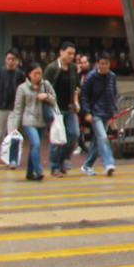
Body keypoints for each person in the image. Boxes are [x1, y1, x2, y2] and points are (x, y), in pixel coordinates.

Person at [13, 62, 55, 181]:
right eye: (35, 73)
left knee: (34, 146)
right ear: (29, 74)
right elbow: (18, 108)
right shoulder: (22, 88)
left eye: (40, 73)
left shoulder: (45, 85)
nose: (38, 76)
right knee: (36, 144)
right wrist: (14, 126)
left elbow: (54, 99)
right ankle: (38, 170)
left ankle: (30, 172)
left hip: (43, 120)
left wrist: (46, 96)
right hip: (28, 120)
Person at [79, 52, 119, 177]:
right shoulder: (91, 77)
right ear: (97, 64)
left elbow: (114, 93)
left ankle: (87, 165)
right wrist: (86, 112)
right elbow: (84, 95)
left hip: (107, 112)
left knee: (97, 141)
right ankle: (108, 163)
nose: (105, 66)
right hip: (95, 113)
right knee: (103, 137)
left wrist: (113, 110)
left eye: (107, 63)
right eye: (102, 63)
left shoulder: (112, 76)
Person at [48, 42, 80, 176]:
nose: (71, 56)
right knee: (57, 138)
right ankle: (54, 166)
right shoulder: (52, 68)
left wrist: (76, 102)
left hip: (69, 107)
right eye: (69, 53)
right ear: (61, 52)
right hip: (56, 108)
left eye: (73, 54)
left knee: (74, 134)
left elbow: (76, 88)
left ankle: (64, 159)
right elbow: (45, 86)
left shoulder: (73, 68)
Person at [0, 50, 25, 169]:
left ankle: (11, 158)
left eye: (13, 59)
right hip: (0, 106)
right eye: (9, 59)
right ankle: (1, 154)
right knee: (0, 132)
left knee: (12, 132)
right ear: (5, 60)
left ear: (17, 61)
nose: (10, 62)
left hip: (14, 108)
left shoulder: (20, 74)